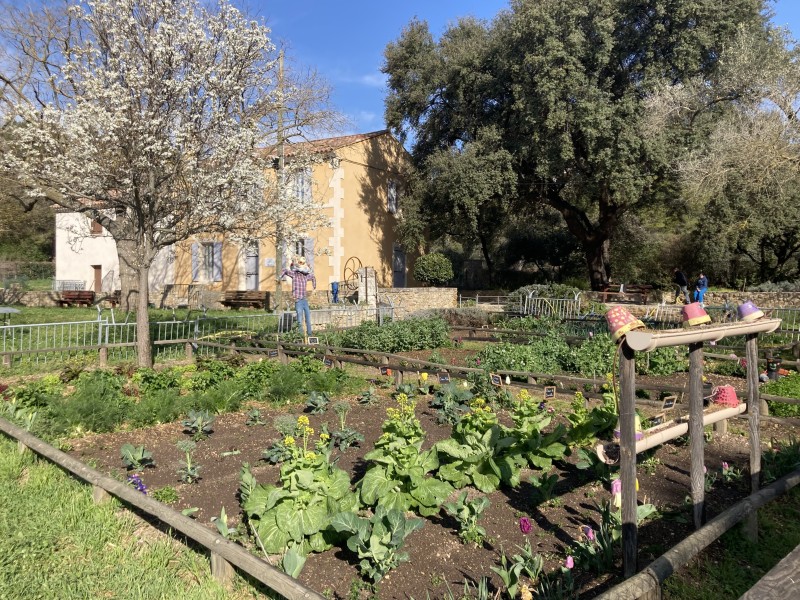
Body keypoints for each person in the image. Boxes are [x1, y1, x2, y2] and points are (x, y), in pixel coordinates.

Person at [281, 255, 316, 336]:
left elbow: (313, 277)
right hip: (298, 300)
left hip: (304, 300)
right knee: (300, 319)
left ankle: (310, 335)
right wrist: (279, 277)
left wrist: (314, 288)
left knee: (308, 318)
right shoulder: (294, 274)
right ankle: (301, 335)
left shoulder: (305, 276)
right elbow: (285, 270)